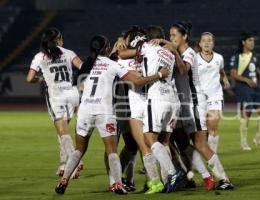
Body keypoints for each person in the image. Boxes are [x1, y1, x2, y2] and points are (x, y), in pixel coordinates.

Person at [54, 34, 169, 195]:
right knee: (112, 150)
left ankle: (64, 180)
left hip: (85, 111)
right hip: (104, 112)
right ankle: (116, 184)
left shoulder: (85, 64)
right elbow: (136, 82)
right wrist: (159, 74)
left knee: (79, 149)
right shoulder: (113, 65)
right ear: (107, 48)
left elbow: (80, 86)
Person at [149, 22, 215, 191]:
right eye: (169, 36)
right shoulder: (170, 52)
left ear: (184, 36)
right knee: (178, 142)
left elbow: (184, 70)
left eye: (173, 35)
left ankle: (200, 176)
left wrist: (170, 48)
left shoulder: (188, 53)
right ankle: (187, 175)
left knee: (182, 142)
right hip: (176, 102)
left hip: (188, 103)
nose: (171, 39)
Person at [118, 26, 184, 193]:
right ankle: (166, 181)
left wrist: (119, 44)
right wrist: (168, 44)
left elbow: (122, 58)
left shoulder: (136, 53)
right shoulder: (166, 51)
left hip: (144, 103)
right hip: (169, 98)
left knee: (146, 145)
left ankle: (157, 181)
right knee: (164, 142)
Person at [26, 27, 83, 178]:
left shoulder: (40, 56)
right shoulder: (69, 53)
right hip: (72, 94)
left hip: (55, 95)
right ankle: (63, 164)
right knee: (62, 133)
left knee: (62, 132)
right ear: (58, 39)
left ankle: (74, 164)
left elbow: (29, 78)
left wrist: (41, 79)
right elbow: (83, 68)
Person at [229, 32, 260, 150]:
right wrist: (246, 80)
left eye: (253, 40)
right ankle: (243, 143)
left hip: (256, 89)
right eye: (250, 40)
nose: (252, 43)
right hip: (244, 89)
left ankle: (258, 138)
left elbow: (257, 71)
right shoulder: (237, 57)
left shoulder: (255, 56)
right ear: (243, 42)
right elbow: (233, 74)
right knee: (246, 115)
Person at [194, 32, 230, 153]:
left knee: (213, 127)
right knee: (201, 131)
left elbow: (221, 70)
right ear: (200, 43)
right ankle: (203, 153)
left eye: (209, 40)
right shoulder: (194, 58)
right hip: (199, 98)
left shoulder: (219, 58)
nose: (206, 43)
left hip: (215, 96)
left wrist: (224, 78)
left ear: (213, 43)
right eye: (204, 40)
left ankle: (212, 159)